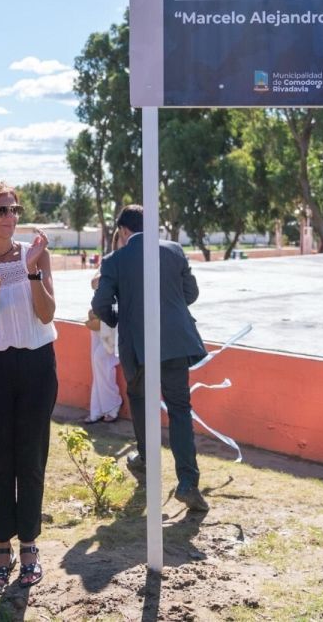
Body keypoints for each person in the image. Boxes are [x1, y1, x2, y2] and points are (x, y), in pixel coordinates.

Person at [0, 182, 57, 589]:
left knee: (32, 457)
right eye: (2, 209)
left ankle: (30, 546)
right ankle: (2, 545)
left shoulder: (34, 254)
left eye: (15, 209)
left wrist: (34, 270)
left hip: (38, 363)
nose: (11, 216)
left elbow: (46, 313)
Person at [91, 204, 210, 513]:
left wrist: (121, 315)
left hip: (139, 348)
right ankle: (187, 483)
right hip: (175, 344)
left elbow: (102, 305)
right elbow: (191, 294)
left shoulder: (115, 260)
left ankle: (145, 460)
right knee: (180, 410)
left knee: (141, 403)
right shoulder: (174, 250)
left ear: (124, 231)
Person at [84, 266, 122, 424]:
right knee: (96, 361)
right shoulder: (110, 261)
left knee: (101, 358)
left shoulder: (135, 259)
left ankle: (113, 403)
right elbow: (94, 283)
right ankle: (98, 409)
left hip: (117, 319)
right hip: (101, 316)